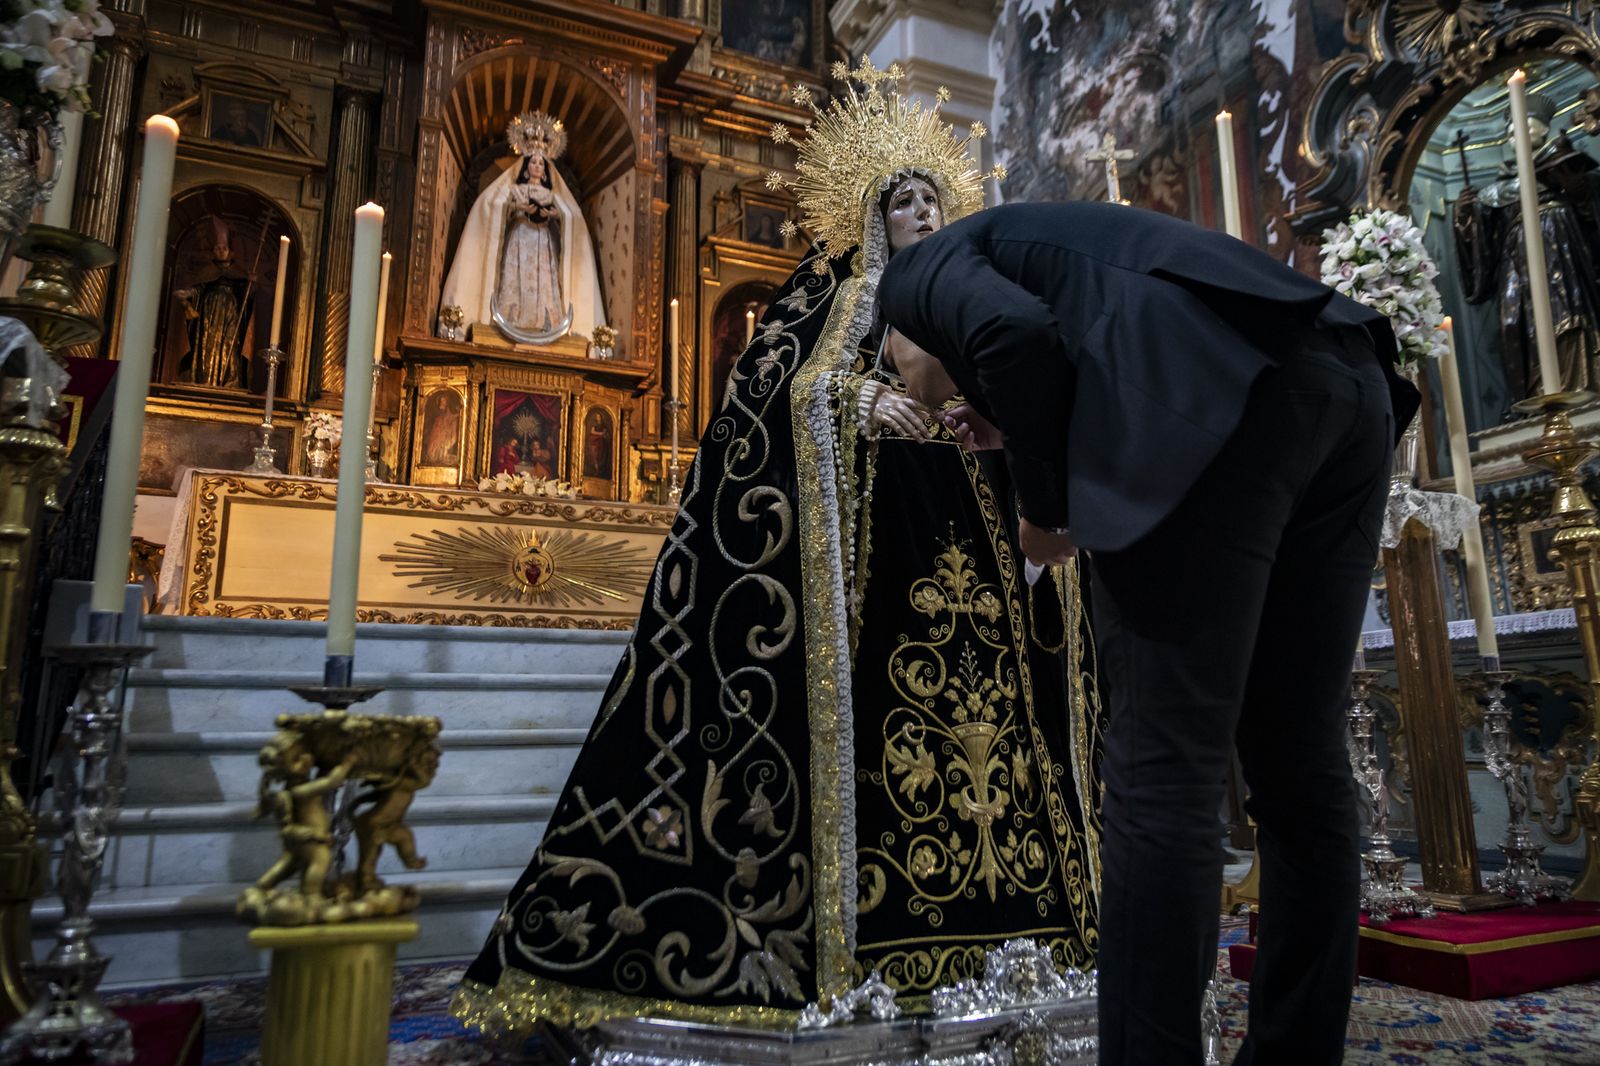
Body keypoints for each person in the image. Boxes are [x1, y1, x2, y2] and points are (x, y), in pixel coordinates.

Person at [451, 65, 1103, 1038]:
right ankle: (865, 946)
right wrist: (854, 399)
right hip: (869, 564)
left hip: (977, 554)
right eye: (904, 200)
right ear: (873, 217)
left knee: (993, 747)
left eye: (933, 198)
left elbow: (1025, 405)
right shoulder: (832, 297)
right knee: (883, 749)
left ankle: (1022, 930)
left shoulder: (976, 299)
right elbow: (769, 402)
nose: (922, 212)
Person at [877, 200, 1419, 1065]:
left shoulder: (912, 275)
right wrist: (1009, 420)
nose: (919, 399)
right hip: (1348, 385)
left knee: (1162, 769)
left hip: (1214, 398)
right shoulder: (1038, 245)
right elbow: (1034, 339)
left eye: (909, 378)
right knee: (1298, 761)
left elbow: (1010, 336)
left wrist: (1045, 508)